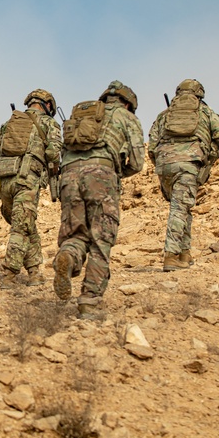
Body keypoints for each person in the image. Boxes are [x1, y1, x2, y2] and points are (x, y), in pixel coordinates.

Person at [53, 81, 144, 320]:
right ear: (128, 103)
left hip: (69, 176)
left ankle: (68, 257)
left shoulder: (84, 117)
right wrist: (113, 174)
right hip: (101, 177)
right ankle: (89, 300)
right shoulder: (127, 118)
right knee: (101, 238)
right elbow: (136, 162)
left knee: (76, 234)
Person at [0, 89, 62, 287]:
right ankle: (9, 275)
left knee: (25, 224)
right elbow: (54, 153)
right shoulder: (49, 124)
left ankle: (34, 272)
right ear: (48, 106)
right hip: (27, 180)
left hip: (3, 181)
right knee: (20, 228)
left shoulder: (10, 123)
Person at [148, 79, 219, 272]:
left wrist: (163, 162)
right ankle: (171, 255)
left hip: (165, 166)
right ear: (199, 94)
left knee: (183, 208)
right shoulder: (205, 111)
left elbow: (151, 146)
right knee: (179, 208)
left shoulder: (164, 115)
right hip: (189, 165)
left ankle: (184, 253)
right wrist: (211, 154)